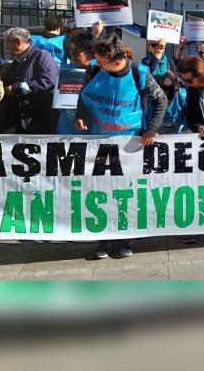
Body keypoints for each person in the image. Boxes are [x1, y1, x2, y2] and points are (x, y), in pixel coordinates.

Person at [74, 34, 167, 260]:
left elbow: (161, 100)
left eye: (102, 62)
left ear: (117, 62)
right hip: (100, 141)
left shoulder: (140, 74)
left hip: (130, 144)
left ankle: (123, 238)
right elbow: (83, 96)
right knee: (100, 191)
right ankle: (103, 240)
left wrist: (151, 130)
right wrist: (81, 115)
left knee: (124, 193)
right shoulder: (95, 69)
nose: (97, 65)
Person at [0, 27, 60, 134]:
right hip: (20, 123)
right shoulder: (16, 63)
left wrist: (16, 88)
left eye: (7, 43)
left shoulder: (41, 56)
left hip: (38, 122)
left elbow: (47, 83)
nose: (6, 48)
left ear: (17, 42)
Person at [55, 31, 94, 135]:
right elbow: (62, 109)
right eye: (70, 53)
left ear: (91, 53)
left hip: (93, 136)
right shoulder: (69, 71)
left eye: (76, 53)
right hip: (66, 133)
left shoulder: (103, 74)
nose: (72, 58)